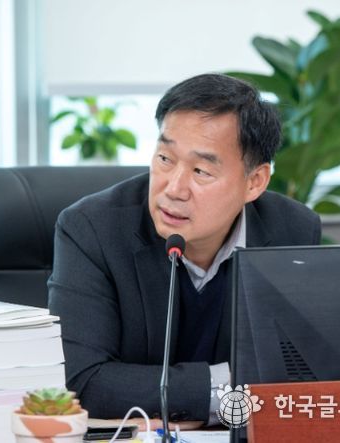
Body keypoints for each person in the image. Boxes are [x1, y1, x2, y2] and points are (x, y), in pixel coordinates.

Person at [48, 73, 321, 424]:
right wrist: (230, 389)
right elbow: (84, 382)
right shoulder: (92, 229)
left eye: (201, 171)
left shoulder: (291, 231)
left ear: (254, 182)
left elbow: (301, 374)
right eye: (165, 158)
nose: (174, 188)